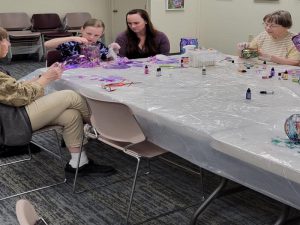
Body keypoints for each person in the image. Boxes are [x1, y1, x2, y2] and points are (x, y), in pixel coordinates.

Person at [0, 27, 115, 176]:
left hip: (12, 115)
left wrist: (42, 77)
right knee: (70, 96)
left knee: (71, 115)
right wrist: (45, 79)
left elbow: (11, 91)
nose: (9, 44)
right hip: (10, 123)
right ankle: (104, 130)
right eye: (5, 40)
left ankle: (79, 163)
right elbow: (21, 97)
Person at [44, 18, 120, 62]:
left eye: (96, 35)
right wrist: (72, 38)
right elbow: (47, 44)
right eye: (88, 33)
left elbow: (109, 61)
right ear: (82, 30)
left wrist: (112, 50)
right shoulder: (72, 44)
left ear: (101, 34)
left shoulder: (99, 46)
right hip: (71, 76)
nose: (91, 38)